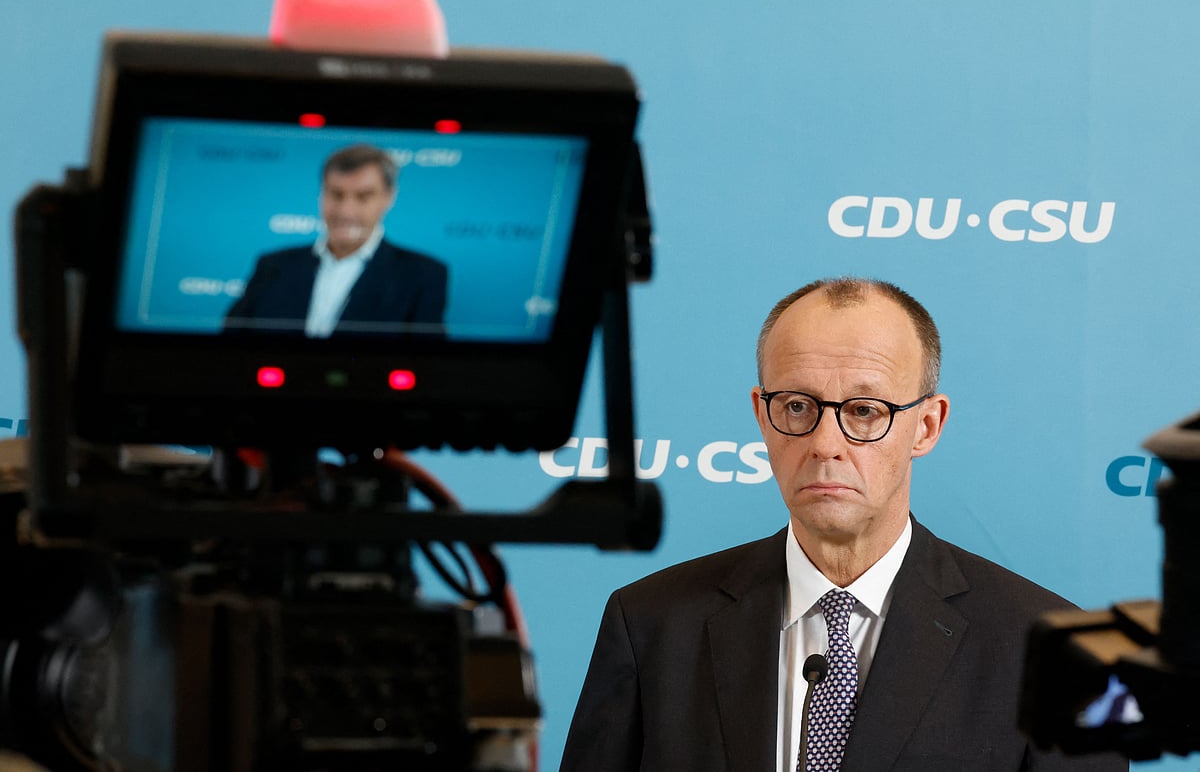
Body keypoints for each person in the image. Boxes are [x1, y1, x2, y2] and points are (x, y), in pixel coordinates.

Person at [560, 277, 1126, 771]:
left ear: (926, 427)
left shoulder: (1055, 654)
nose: (826, 445)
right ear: (763, 414)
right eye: (798, 407)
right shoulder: (650, 625)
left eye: (864, 411)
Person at [224, 143, 448, 337]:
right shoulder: (273, 266)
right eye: (336, 194)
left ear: (389, 197)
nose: (346, 211)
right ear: (322, 194)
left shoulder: (423, 276)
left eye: (363, 197)